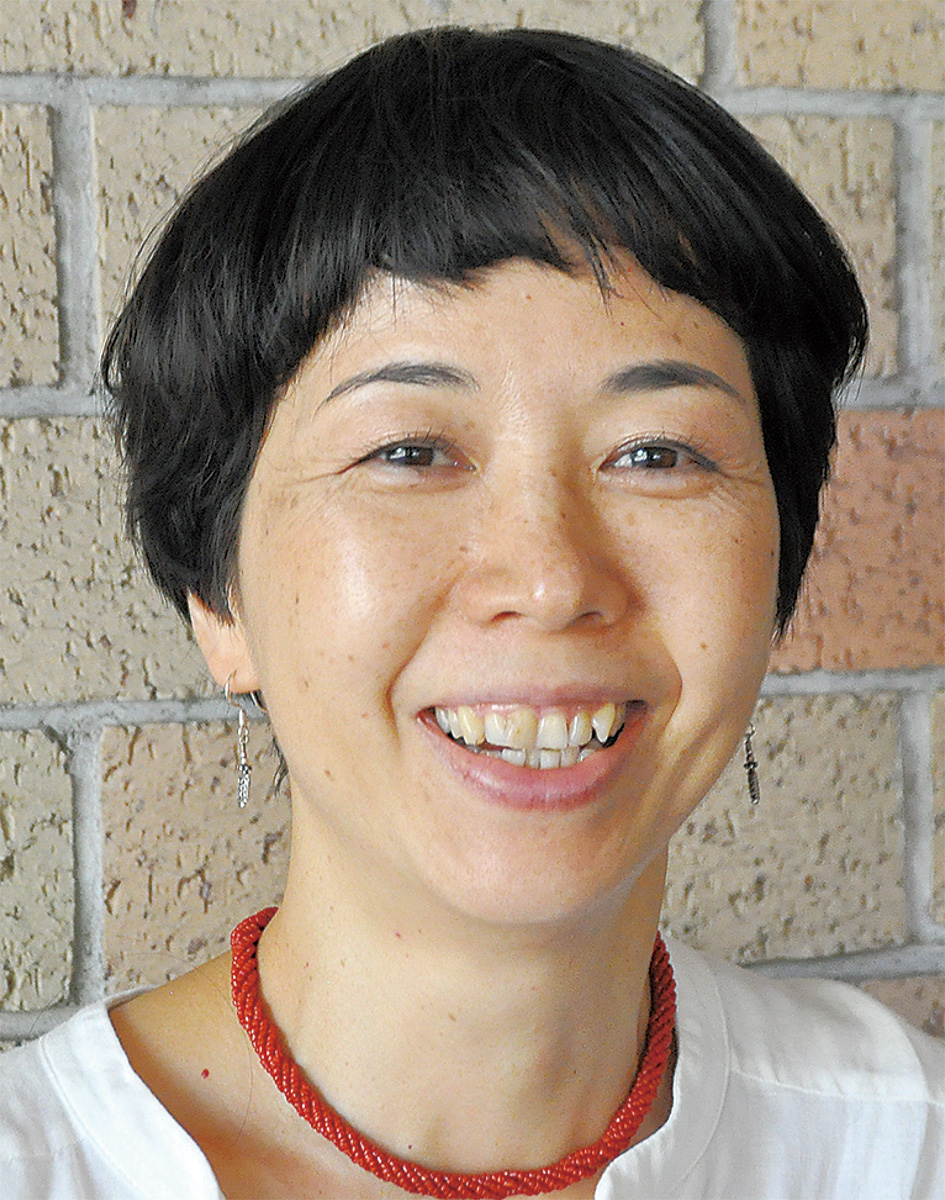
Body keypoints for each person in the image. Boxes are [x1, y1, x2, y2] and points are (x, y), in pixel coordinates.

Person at [1, 25, 941, 1200]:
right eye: (409, 451)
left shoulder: (905, 1149)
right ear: (217, 595)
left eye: (656, 453)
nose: (549, 579)